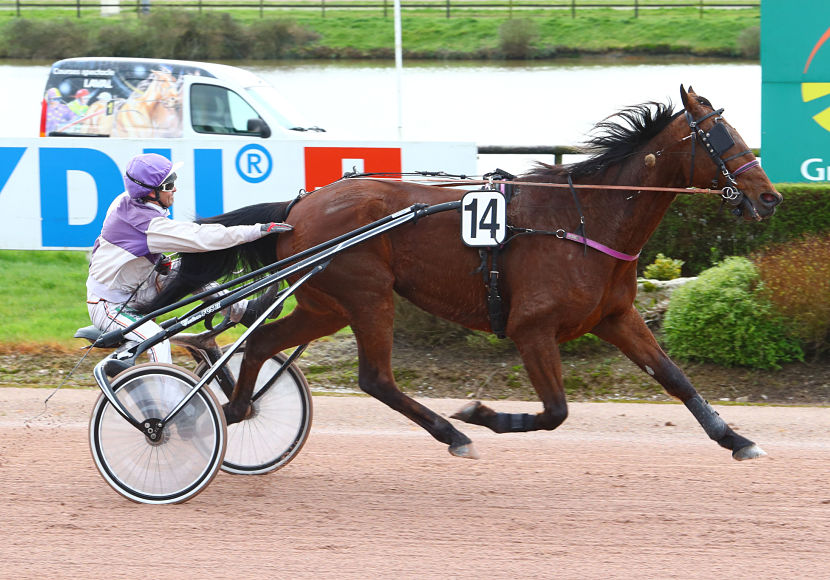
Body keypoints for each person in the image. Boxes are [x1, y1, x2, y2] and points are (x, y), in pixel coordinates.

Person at [86, 153, 291, 364]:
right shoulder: (152, 226)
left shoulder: (128, 201)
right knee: (157, 341)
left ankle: (245, 312)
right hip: (109, 306)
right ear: (150, 193)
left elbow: (118, 250)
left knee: (189, 271)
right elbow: (203, 237)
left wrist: (157, 261)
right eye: (168, 184)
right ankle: (164, 393)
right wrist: (258, 230)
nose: (174, 188)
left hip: (139, 287)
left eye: (174, 179)